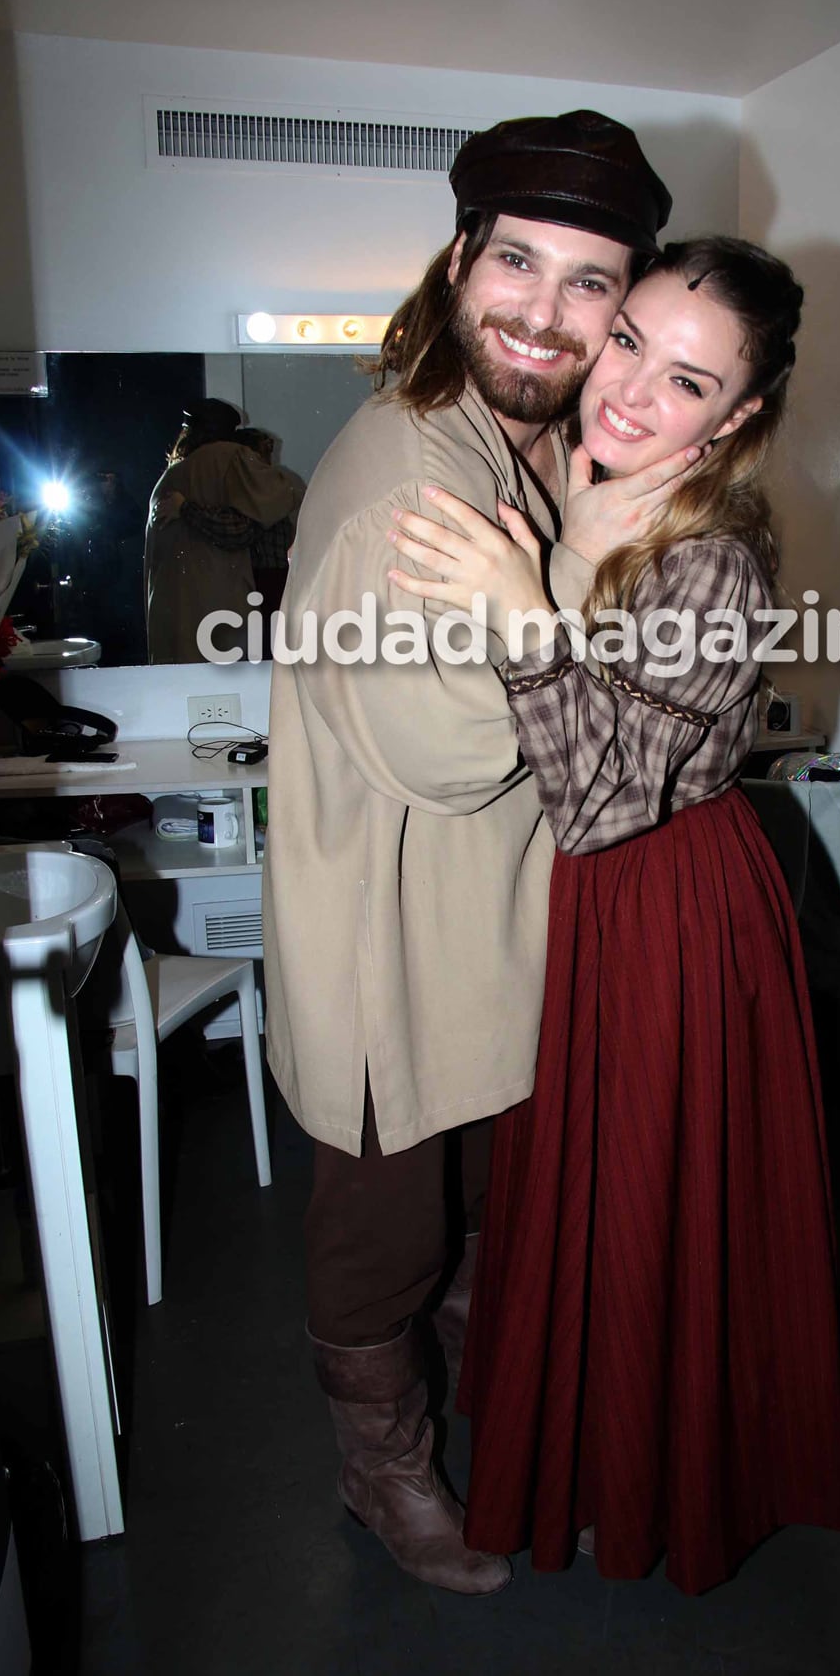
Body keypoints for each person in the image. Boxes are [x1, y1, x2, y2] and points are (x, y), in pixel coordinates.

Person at [261, 111, 701, 1598]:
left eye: (591, 284)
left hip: (497, 937)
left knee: (491, 1222)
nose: (543, 309)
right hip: (393, 942)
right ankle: (384, 1473)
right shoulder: (412, 476)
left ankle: (500, 1445)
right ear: (458, 262)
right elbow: (445, 754)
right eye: (516, 260)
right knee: (381, 1239)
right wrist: (569, 578)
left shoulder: (514, 444)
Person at [387, 237, 840, 1595]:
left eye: (690, 379)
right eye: (631, 338)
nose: (633, 390)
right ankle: (586, 1456)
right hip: (595, 907)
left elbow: (598, 798)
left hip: (668, 911)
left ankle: (656, 1486)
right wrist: (559, 559)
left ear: (738, 418)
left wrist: (521, 606)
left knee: (651, 1201)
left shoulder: (712, 561)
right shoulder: (580, 487)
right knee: (582, 1192)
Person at [144, 399, 303, 662]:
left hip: (173, 621)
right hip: (216, 621)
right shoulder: (227, 458)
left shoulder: (172, 476)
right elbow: (286, 494)